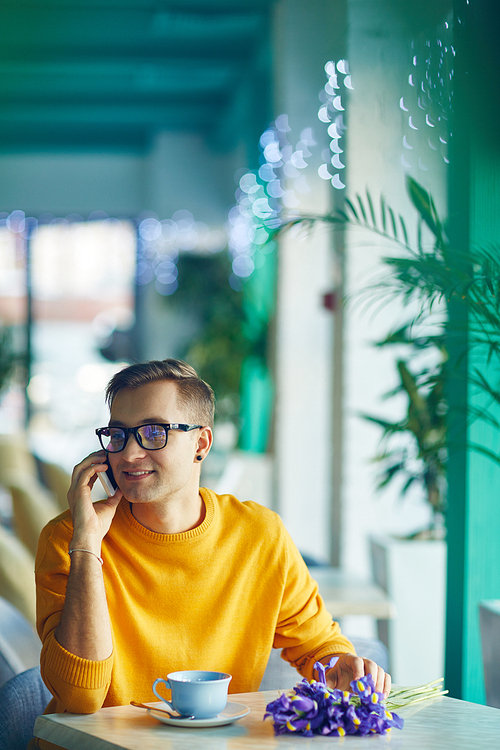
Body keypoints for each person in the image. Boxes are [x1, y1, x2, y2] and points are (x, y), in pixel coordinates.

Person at [33, 359, 390, 749]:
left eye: (153, 432)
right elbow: (79, 698)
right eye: (118, 434)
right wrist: (87, 545)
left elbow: (320, 648)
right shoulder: (68, 538)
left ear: (200, 443)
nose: (129, 453)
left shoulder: (259, 534)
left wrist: (346, 668)